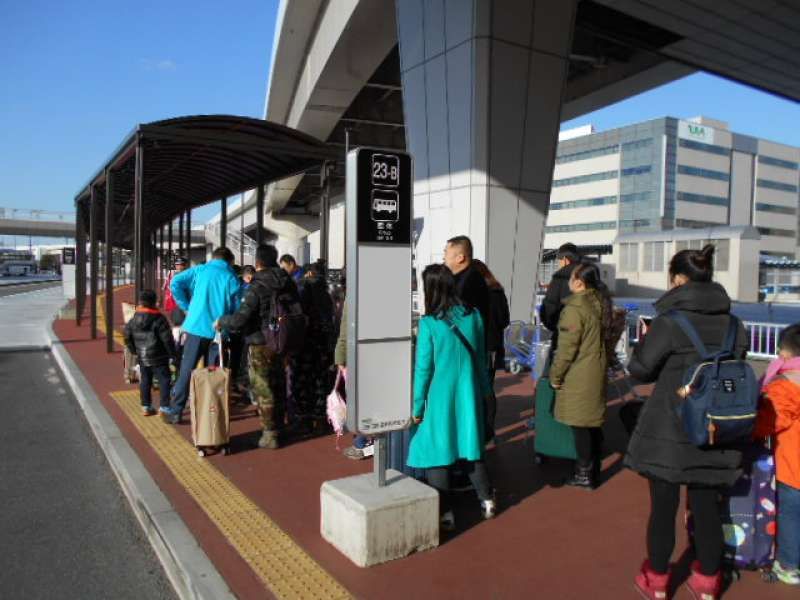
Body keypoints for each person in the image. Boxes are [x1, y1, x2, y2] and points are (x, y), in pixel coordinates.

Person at [626, 245, 747, 600]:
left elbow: (639, 369)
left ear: (678, 280)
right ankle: (709, 581)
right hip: (717, 425)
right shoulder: (734, 324)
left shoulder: (670, 321)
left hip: (671, 424)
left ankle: (658, 579)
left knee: (663, 507)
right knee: (707, 506)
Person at [407, 264, 495, 531]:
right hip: (469, 393)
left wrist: (417, 405)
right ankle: (487, 500)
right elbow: (481, 359)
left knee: (438, 451)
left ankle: (445, 513)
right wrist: (485, 392)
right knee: (471, 446)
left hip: (439, 397)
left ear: (430, 289)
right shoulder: (474, 316)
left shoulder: (429, 324)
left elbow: (423, 368)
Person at [216, 245, 296, 449]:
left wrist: (222, 321)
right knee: (279, 385)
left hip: (260, 342)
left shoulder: (257, 286)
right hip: (283, 341)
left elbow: (240, 319)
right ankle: (279, 426)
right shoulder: (288, 282)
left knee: (263, 388)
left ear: (258, 262)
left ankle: (270, 434)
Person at [549, 261, 612, 489]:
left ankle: (584, 473)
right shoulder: (600, 302)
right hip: (595, 368)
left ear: (579, 281)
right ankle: (592, 470)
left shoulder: (575, 309)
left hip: (579, 373)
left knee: (581, 426)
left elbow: (566, 349)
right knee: (592, 424)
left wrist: (555, 376)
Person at [163, 247, 241, 425]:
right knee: (214, 373)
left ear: (214, 258)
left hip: (196, 327)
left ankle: (176, 411)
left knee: (187, 369)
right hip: (218, 333)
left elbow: (175, 282)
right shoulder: (231, 277)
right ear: (230, 261)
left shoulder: (200, 269)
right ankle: (210, 410)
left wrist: (187, 307)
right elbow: (237, 308)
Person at [755, 324, 800, 586]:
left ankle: (789, 564)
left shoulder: (786, 385)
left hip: (793, 465)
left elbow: (770, 422)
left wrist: (748, 430)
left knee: (790, 514)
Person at [288, 261, 336, 432]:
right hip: (323, 343)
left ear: (308, 274)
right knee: (321, 380)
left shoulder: (302, 290)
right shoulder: (327, 293)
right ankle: (321, 418)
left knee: (302, 380)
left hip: (304, 342)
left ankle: (303, 419)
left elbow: (296, 315)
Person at [471, 259, 510, 442]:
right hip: (493, 347)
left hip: (476, 347)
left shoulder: (474, 295)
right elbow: (504, 321)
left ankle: (477, 430)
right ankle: (488, 430)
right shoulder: (497, 291)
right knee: (488, 388)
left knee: (475, 389)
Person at [123, 289, 177, 417]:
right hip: (159, 356)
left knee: (145, 380)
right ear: (153, 302)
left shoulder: (134, 318)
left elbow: (127, 335)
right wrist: (173, 355)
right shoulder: (159, 318)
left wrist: (134, 350)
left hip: (142, 355)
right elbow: (167, 339)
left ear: (141, 302)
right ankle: (164, 408)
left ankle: (146, 406)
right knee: (164, 380)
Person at [539, 243, 580, 370]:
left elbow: (549, 308)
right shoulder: (589, 275)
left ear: (565, 260)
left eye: (559, 261)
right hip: (587, 338)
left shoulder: (559, 278)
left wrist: (554, 327)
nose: (558, 264)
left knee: (559, 371)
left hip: (564, 335)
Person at [443, 236, 490, 336]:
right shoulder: (464, 278)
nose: (443, 257)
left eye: (446, 252)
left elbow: (460, 320)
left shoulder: (470, 281)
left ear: (460, 258)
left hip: (465, 346)